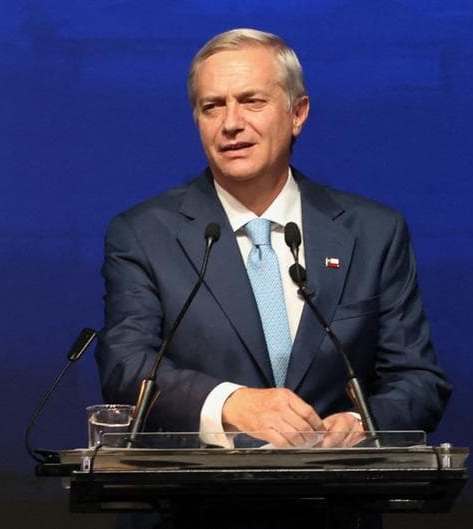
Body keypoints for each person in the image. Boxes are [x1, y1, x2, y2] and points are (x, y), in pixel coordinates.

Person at [96, 28, 451, 450]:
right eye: (212, 106)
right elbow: (125, 365)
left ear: (297, 113)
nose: (231, 123)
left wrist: (361, 424)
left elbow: (418, 380)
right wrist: (230, 403)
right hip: (198, 487)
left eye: (252, 101)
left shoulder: (374, 233)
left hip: (337, 484)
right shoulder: (143, 234)